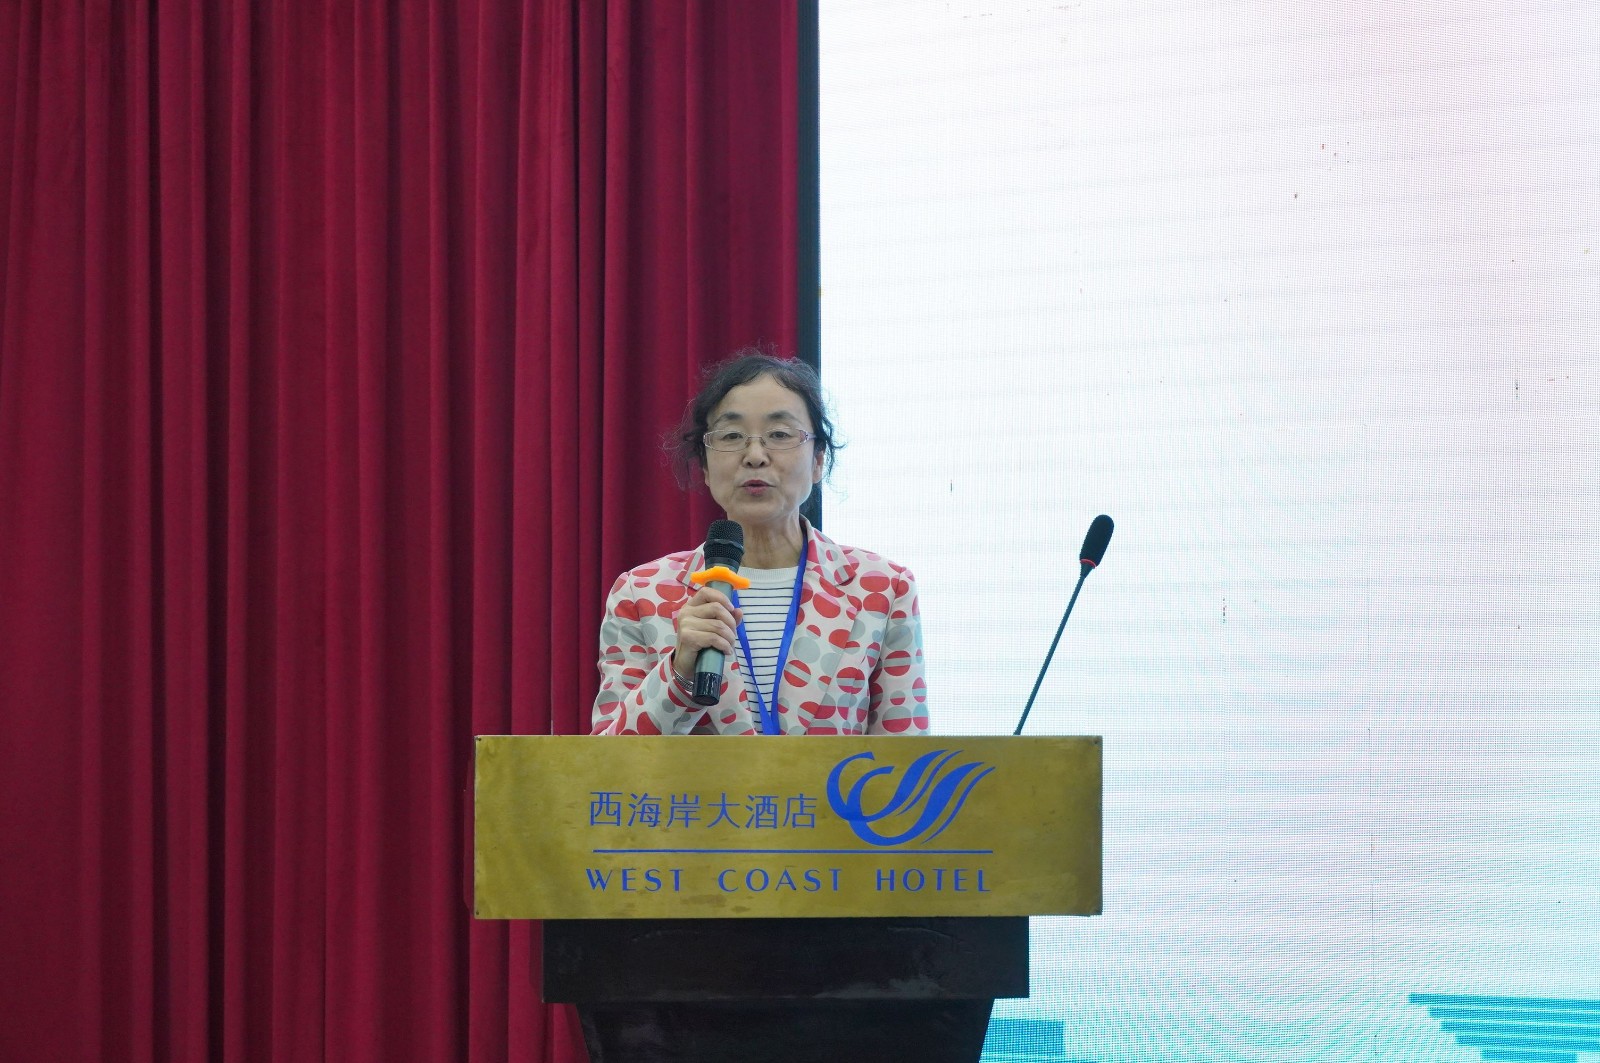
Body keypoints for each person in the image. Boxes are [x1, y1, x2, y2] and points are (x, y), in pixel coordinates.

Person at [591, 351, 928, 736]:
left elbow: (907, 757)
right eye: (731, 436)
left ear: (819, 460)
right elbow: (608, 759)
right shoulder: (642, 593)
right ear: (704, 465)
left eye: (780, 435)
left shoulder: (883, 589)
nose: (754, 456)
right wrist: (678, 673)